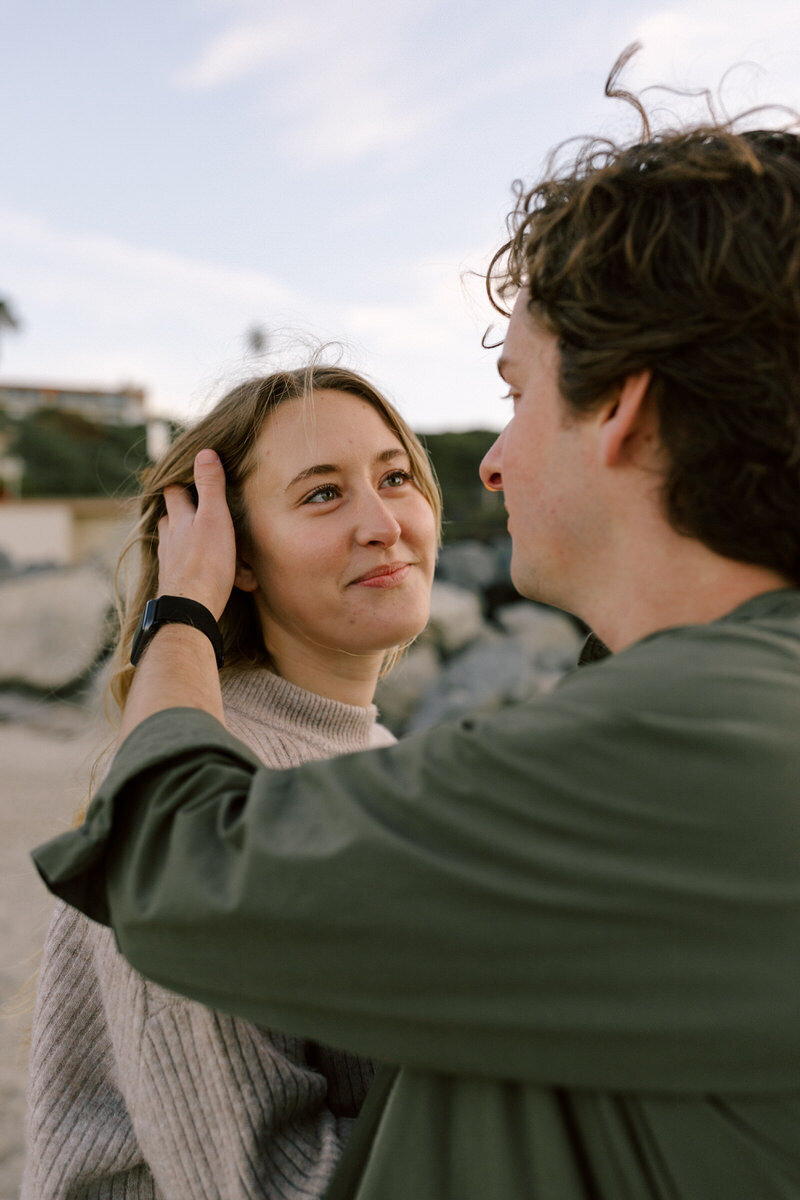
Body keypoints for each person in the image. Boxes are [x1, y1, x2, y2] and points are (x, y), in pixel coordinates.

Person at [31, 70, 800, 1200]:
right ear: (232, 547)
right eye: (321, 494)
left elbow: (173, 864)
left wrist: (175, 624)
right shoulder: (670, 715)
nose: (480, 467)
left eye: (514, 392)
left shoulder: (664, 741)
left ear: (620, 409)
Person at [21, 365, 441, 1200]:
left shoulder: (380, 751)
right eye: (323, 495)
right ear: (235, 558)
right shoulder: (195, 777)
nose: (383, 523)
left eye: (395, 478)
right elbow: (256, 1183)